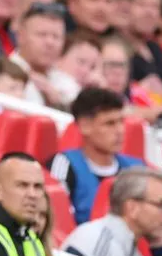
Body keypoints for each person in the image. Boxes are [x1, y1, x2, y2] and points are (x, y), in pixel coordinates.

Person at [47, 87, 143, 224]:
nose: (120, 130)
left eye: (121, 121)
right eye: (110, 123)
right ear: (85, 126)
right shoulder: (64, 164)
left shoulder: (137, 169)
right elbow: (57, 223)